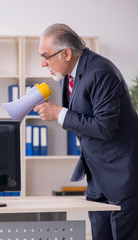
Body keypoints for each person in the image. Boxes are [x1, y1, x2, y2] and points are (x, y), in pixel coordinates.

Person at [34, 23, 138, 240]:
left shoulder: (101, 72)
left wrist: (59, 114)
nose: (43, 63)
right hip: (97, 174)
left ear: (66, 53)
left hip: (122, 175)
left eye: (46, 56)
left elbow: (104, 127)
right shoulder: (69, 73)